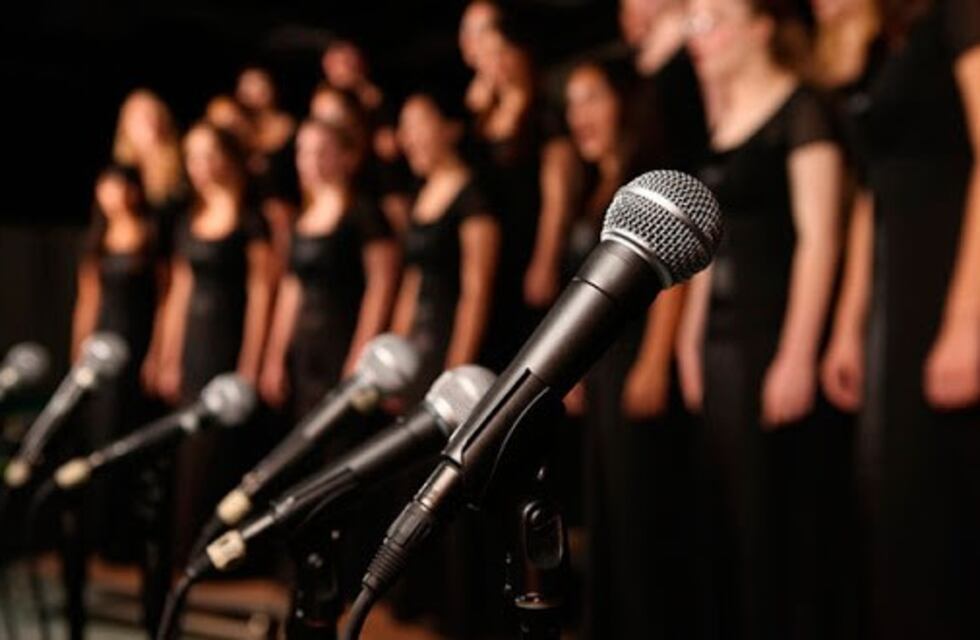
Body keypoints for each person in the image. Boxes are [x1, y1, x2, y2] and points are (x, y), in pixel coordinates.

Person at [676, 0, 848, 637]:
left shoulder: (801, 110)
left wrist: (799, 352)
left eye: (712, 19)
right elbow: (705, 249)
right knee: (726, 523)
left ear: (761, 25)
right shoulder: (720, 128)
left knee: (776, 521)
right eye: (691, 23)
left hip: (772, 336)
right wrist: (690, 344)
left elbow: (821, 237)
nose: (700, 36)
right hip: (720, 344)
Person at [820, 0, 980, 637]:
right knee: (892, 499)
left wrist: (967, 320)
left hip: (947, 282)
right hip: (896, 294)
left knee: (939, 502)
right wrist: (848, 326)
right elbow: (870, 196)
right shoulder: (887, 42)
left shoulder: (961, 16)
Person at [562, 59, 694, 640]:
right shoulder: (594, 184)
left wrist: (655, 359)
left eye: (591, 98)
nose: (579, 116)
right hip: (604, 364)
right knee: (608, 508)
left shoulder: (649, 177)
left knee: (642, 510)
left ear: (624, 102)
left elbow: (673, 276)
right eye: (570, 104)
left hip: (638, 354)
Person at [389, 92, 500, 637]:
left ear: (449, 128)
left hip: (454, 352)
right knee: (412, 471)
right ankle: (417, 596)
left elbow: (476, 290)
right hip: (422, 348)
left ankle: (459, 609)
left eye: (417, 125)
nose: (408, 138)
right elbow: (413, 282)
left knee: (449, 479)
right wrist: (403, 353)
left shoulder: (474, 197)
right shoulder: (421, 193)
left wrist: (453, 370)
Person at [156, 123, 273, 563]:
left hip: (230, 339)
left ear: (227, 157)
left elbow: (263, 293)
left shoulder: (250, 217)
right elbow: (180, 293)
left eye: (208, 155)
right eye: (192, 156)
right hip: (193, 345)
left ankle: (222, 557)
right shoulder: (190, 218)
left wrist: (252, 362)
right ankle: (186, 551)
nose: (200, 166)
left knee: (221, 452)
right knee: (188, 451)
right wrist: (166, 355)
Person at [259, 118, 399, 424]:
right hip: (306, 349)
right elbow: (291, 289)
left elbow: (381, 287)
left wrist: (361, 357)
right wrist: (274, 355)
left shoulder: (364, 213)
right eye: (304, 152)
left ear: (345, 157)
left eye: (322, 152)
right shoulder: (301, 220)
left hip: (344, 339)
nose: (312, 162)